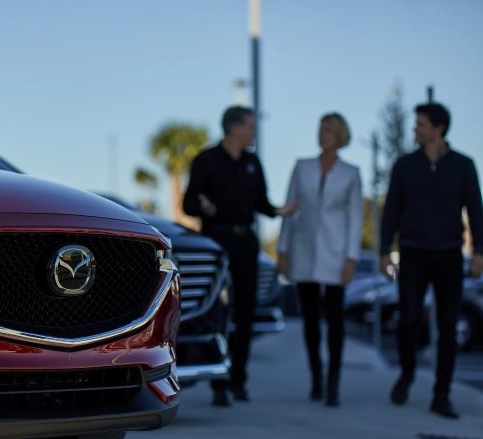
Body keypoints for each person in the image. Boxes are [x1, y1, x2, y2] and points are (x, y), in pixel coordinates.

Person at [183, 105, 297, 406]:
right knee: (218, 312)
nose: (254, 132)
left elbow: (262, 203)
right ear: (234, 128)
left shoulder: (252, 162)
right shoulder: (206, 160)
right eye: (250, 126)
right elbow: (187, 203)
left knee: (245, 311)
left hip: (246, 242)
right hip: (216, 244)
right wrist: (203, 207)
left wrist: (279, 211)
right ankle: (218, 383)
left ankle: (239, 380)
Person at [380, 102, 483, 419]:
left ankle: (442, 394)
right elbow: (391, 211)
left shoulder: (463, 166)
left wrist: (479, 251)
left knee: (448, 327)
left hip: (450, 254)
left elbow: (476, 210)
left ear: (438, 128)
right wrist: (384, 251)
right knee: (408, 320)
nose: (415, 130)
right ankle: (407, 372)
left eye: (420, 125)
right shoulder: (405, 165)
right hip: (412, 253)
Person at [277, 112, 363, 407]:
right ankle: (316, 376)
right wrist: (283, 249)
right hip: (303, 250)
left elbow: (355, 217)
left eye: (327, 130)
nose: (321, 134)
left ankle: (333, 383)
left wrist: (351, 257)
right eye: (320, 129)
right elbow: (290, 210)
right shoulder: (302, 167)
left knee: (335, 321)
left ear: (339, 136)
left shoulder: (351, 173)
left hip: (336, 252)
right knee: (311, 320)